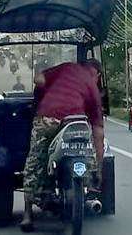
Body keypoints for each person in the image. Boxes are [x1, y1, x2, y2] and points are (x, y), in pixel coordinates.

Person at [20, 59, 105, 232]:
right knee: (84, 150)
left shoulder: (67, 67)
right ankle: (86, 181)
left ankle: (28, 214)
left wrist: (48, 86)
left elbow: (39, 80)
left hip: (49, 118)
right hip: (77, 123)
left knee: (35, 160)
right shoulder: (93, 88)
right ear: (97, 75)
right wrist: (98, 169)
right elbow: (98, 132)